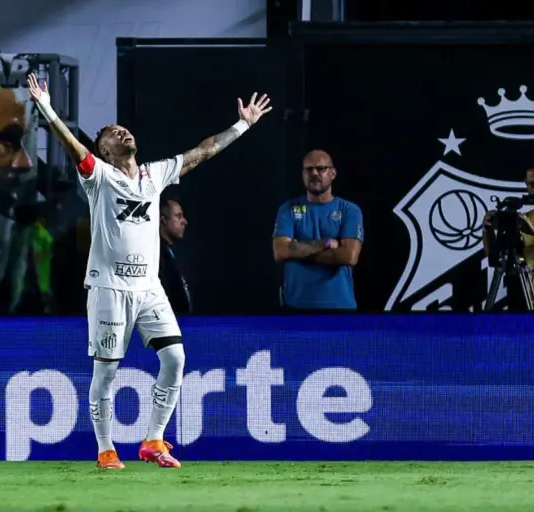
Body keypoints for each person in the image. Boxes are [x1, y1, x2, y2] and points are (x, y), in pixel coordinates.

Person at [26, 73, 272, 469]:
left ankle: (153, 441)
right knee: (106, 374)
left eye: (125, 129)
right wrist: (47, 107)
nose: (123, 133)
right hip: (108, 288)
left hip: (148, 288)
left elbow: (202, 152)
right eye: (113, 133)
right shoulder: (99, 177)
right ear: (103, 150)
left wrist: (242, 124)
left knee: (175, 359)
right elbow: (73, 147)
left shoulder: (154, 174)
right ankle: (106, 449)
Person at [272, 150, 363, 311]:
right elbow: (280, 251)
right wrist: (326, 243)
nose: (314, 173)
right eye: (309, 169)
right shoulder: (288, 209)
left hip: (339, 307)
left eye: (321, 168)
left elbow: (349, 256)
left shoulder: (349, 210)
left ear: (333, 173)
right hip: (295, 307)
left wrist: (298, 251)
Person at [482, 168, 534, 311]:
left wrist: (529, 228)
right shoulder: (525, 218)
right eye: (530, 184)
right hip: (522, 295)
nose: (532, 188)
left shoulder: (526, 220)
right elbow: (493, 255)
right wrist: (488, 229)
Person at [159, 194, 192, 314]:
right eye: (179, 216)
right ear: (163, 220)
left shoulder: (170, 252)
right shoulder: (157, 256)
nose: (184, 221)